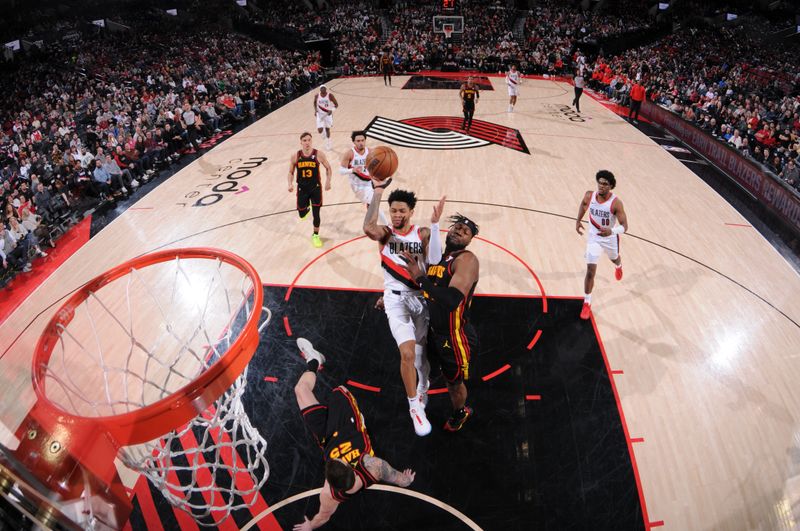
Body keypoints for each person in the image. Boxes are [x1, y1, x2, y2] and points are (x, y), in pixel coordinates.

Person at [293, 338, 416, 531]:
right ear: (350, 469)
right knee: (340, 390)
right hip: (348, 426)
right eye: (340, 461)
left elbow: (323, 516)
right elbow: (395, 477)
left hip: (326, 438)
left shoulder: (329, 494)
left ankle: (314, 361)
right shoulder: (372, 466)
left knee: (300, 390)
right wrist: (406, 480)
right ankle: (317, 364)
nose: (338, 459)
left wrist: (310, 527)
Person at [364, 181, 445, 436]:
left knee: (421, 358)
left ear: (411, 211)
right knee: (407, 355)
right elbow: (368, 226)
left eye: (402, 211)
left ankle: (423, 387)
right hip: (394, 300)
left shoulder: (421, 234)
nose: (397, 214)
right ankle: (414, 408)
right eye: (394, 210)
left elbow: (434, 259)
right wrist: (377, 191)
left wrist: (434, 224)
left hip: (419, 299)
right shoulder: (386, 234)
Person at [401, 213, 480, 432]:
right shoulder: (440, 257)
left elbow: (452, 300)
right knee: (426, 367)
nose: (459, 231)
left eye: (465, 232)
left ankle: (459, 412)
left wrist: (420, 278)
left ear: (469, 240)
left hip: (454, 336)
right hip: (433, 329)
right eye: (457, 227)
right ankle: (423, 391)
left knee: (453, 385)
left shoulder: (466, 259)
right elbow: (426, 291)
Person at [575, 170, 629, 320]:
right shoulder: (589, 195)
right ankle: (587, 302)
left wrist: (612, 231)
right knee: (590, 270)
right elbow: (584, 205)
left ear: (611, 186)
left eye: (605, 184)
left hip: (609, 238)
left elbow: (625, 226)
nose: (601, 186)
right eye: (599, 182)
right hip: (594, 238)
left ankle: (618, 265)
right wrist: (578, 220)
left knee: (614, 258)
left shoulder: (616, 203)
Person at [288, 132, 332, 248]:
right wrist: (290, 184)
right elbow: (291, 172)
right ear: (301, 142)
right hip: (302, 188)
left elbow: (328, 168)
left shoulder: (318, 154)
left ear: (311, 141)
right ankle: (305, 210)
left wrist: (328, 181)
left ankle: (315, 235)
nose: (307, 142)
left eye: (309, 140)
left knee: (316, 213)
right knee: (302, 214)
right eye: (304, 140)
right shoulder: (296, 156)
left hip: (315, 188)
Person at [339, 131, 388, 225]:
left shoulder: (370, 152)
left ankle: (383, 226)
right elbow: (340, 171)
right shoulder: (350, 154)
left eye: (362, 140)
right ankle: (384, 226)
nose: (361, 142)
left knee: (373, 205)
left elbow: (376, 166)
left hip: (369, 183)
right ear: (354, 142)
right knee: (373, 204)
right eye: (358, 141)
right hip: (358, 186)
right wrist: (352, 170)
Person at [314, 85, 339, 150]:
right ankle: (323, 132)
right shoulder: (317, 95)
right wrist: (315, 110)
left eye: (324, 88)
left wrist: (332, 110)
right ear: (320, 89)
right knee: (320, 130)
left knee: (328, 129)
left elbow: (336, 105)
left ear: (326, 89)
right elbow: (314, 102)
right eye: (321, 88)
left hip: (328, 114)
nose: (322, 89)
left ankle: (328, 143)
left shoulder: (330, 95)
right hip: (320, 114)